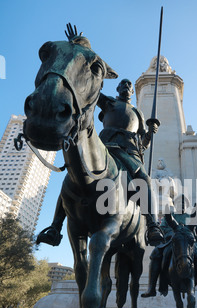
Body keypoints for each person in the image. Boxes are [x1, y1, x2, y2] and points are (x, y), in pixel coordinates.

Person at [37, 78, 164, 247]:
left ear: (132, 92)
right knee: (73, 176)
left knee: (145, 180)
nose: (126, 86)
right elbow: (92, 91)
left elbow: (143, 145)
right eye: (123, 84)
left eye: (129, 85)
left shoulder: (138, 113)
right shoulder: (109, 102)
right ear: (118, 88)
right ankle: (55, 227)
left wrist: (149, 133)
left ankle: (152, 225)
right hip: (105, 147)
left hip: (128, 152)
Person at [141, 196, 197, 302]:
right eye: (180, 202)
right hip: (173, 241)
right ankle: (151, 288)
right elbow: (164, 228)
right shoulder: (170, 216)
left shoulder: (190, 216)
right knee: (155, 254)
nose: (182, 204)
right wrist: (174, 233)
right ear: (175, 205)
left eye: (184, 203)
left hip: (190, 243)